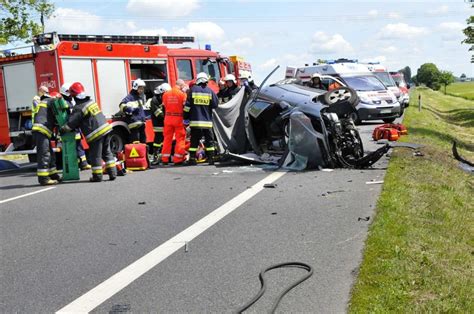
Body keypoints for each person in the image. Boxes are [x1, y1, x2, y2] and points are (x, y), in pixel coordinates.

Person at [60, 82, 116, 182]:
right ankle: (113, 173)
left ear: (74, 95)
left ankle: (97, 176)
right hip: (106, 129)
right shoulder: (91, 102)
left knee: (96, 155)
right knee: (107, 152)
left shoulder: (79, 107)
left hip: (96, 134)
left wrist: (63, 129)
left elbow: (71, 123)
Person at [183, 72, 219, 165]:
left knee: (194, 141)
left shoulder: (192, 90)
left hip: (195, 122)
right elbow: (215, 105)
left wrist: (185, 116)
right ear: (206, 81)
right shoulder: (210, 91)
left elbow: (187, 106)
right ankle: (211, 159)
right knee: (209, 141)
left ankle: (192, 159)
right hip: (207, 122)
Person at [32, 91, 62, 185]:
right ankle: (43, 179)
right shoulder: (51, 101)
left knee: (51, 153)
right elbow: (59, 117)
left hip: (42, 131)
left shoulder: (45, 102)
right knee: (44, 154)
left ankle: (53, 174)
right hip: (42, 130)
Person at [59, 82, 91, 170]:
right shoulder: (66, 103)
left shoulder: (66, 102)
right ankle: (81, 164)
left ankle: (82, 163)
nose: (72, 95)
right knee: (76, 147)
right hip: (72, 129)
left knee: (78, 147)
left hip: (73, 129)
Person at [161, 83, 187, 165]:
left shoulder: (165, 94)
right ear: (181, 86)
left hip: (168, 118)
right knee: (180, 139)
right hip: (178, 118)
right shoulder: (182, 94)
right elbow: (185, 107)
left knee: (167, 139)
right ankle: (178, 159)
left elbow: (164, 106)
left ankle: (164, 159)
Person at [148, 84, 170, 164]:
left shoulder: (164, 98)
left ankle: (164, 155)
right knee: (158, 138)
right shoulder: (154, 100)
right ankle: (156, 154)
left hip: (166, 122)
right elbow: (158, 114)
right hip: (158, 123)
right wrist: (168, 118)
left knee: (166, 139)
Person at [119, 78, 147, 143]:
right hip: (134, 123)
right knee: (135, 140)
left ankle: (143, 153)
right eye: (140, 88)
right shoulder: (129, 97)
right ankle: (136, 153)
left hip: (141, 122)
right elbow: (121, 105)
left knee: (143, 140)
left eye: (142, 88)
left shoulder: (139, 97)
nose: (142, 90)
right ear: (136, 87)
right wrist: (130, 110)